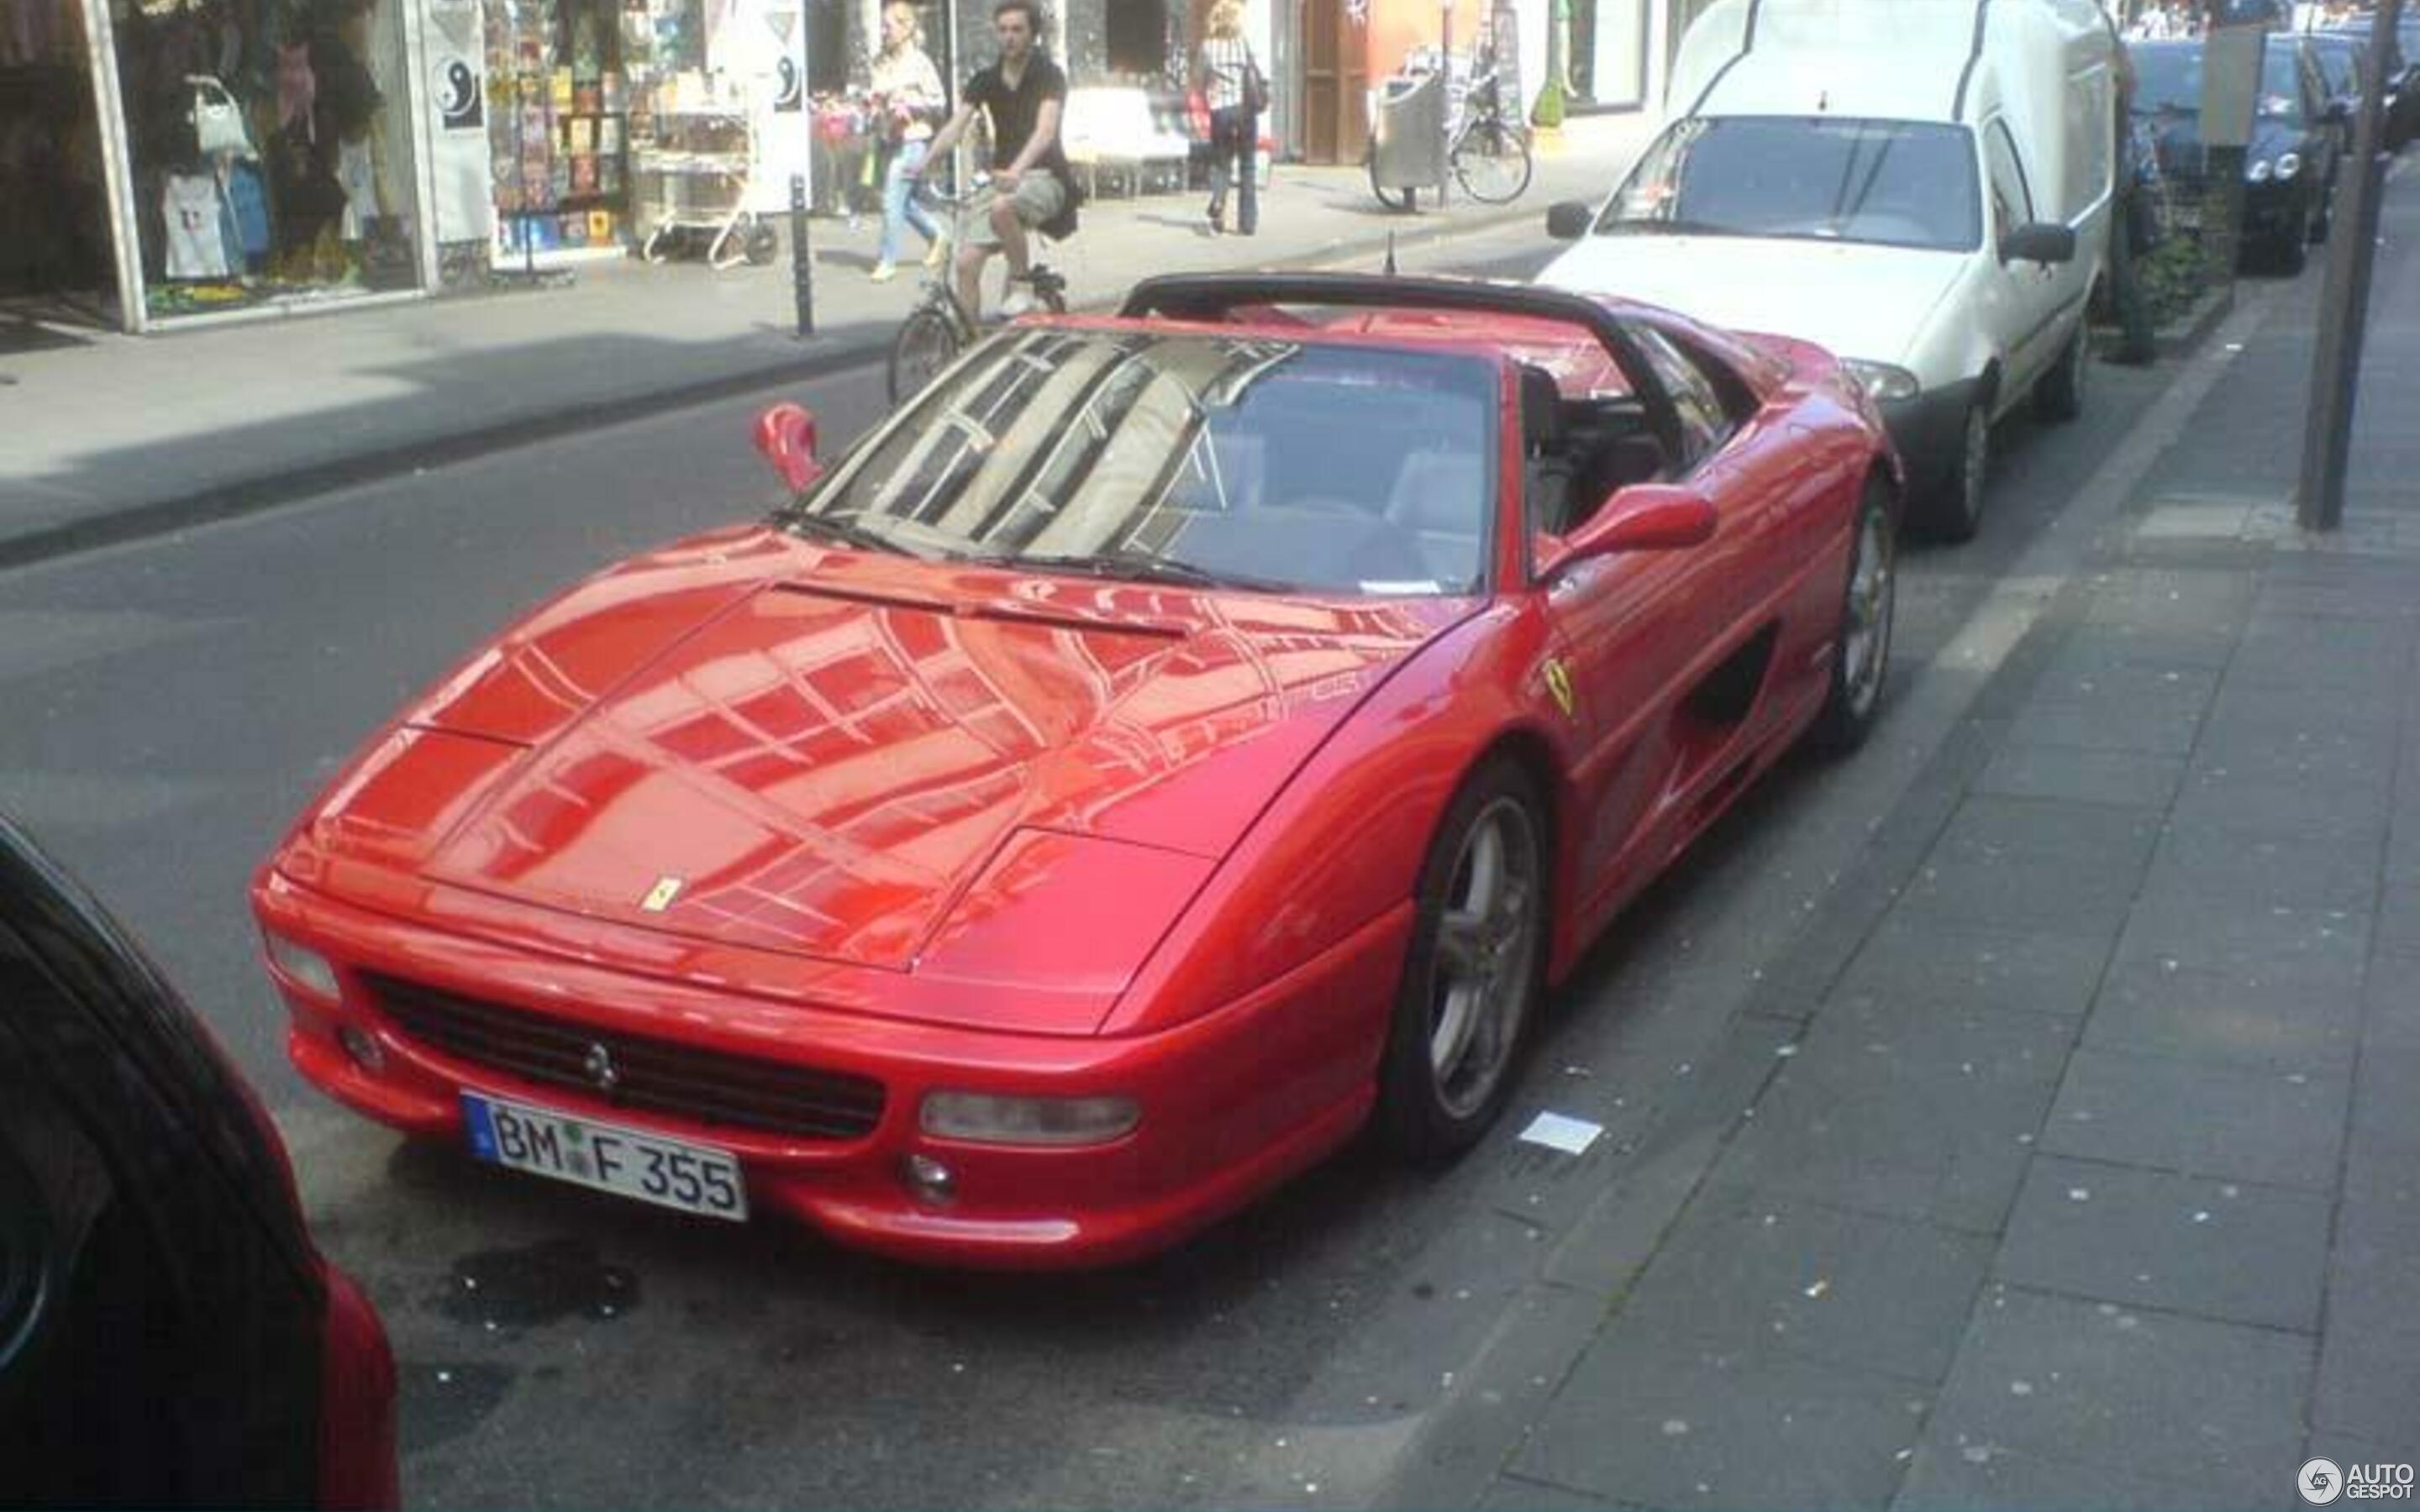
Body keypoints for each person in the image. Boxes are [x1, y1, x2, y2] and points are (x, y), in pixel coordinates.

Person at [917, 0, 1073, 318]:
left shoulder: (1049, 76)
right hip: (1003, 180)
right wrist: (925, 161)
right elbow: (954, 128)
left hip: (1045, 177)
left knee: (1004, 209)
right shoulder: (986, 79)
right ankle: (969, 346)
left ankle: (1021, 283)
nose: (1009, 37)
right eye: (1002, 30)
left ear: (1033, 34)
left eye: (1017, 29)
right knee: (964, 264)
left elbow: (1045, 132)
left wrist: (1016, 171)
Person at [868, 2, 948, 282]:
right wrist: (875, 104)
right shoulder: (882, 61)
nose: (883, 31)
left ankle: (887, 260)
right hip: (888, 138)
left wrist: (911, 106)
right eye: (883, 25)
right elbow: (876, 96)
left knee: (892, 200)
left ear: (906, 28)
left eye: (888, 26)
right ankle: (938, 235)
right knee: (904, 200)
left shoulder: (920, 62)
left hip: (913, 141)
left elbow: (939, 101)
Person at [1196, 0, 1260, 236]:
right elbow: (1255, 71)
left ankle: (1219, 205)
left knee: (1222, 164)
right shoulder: (1243, 44)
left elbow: (1199, 79)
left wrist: (1210, 91)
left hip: (1220, 112)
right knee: (1248, 166)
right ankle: (1247, 223)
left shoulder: (1207, 47)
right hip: (1245, 110)